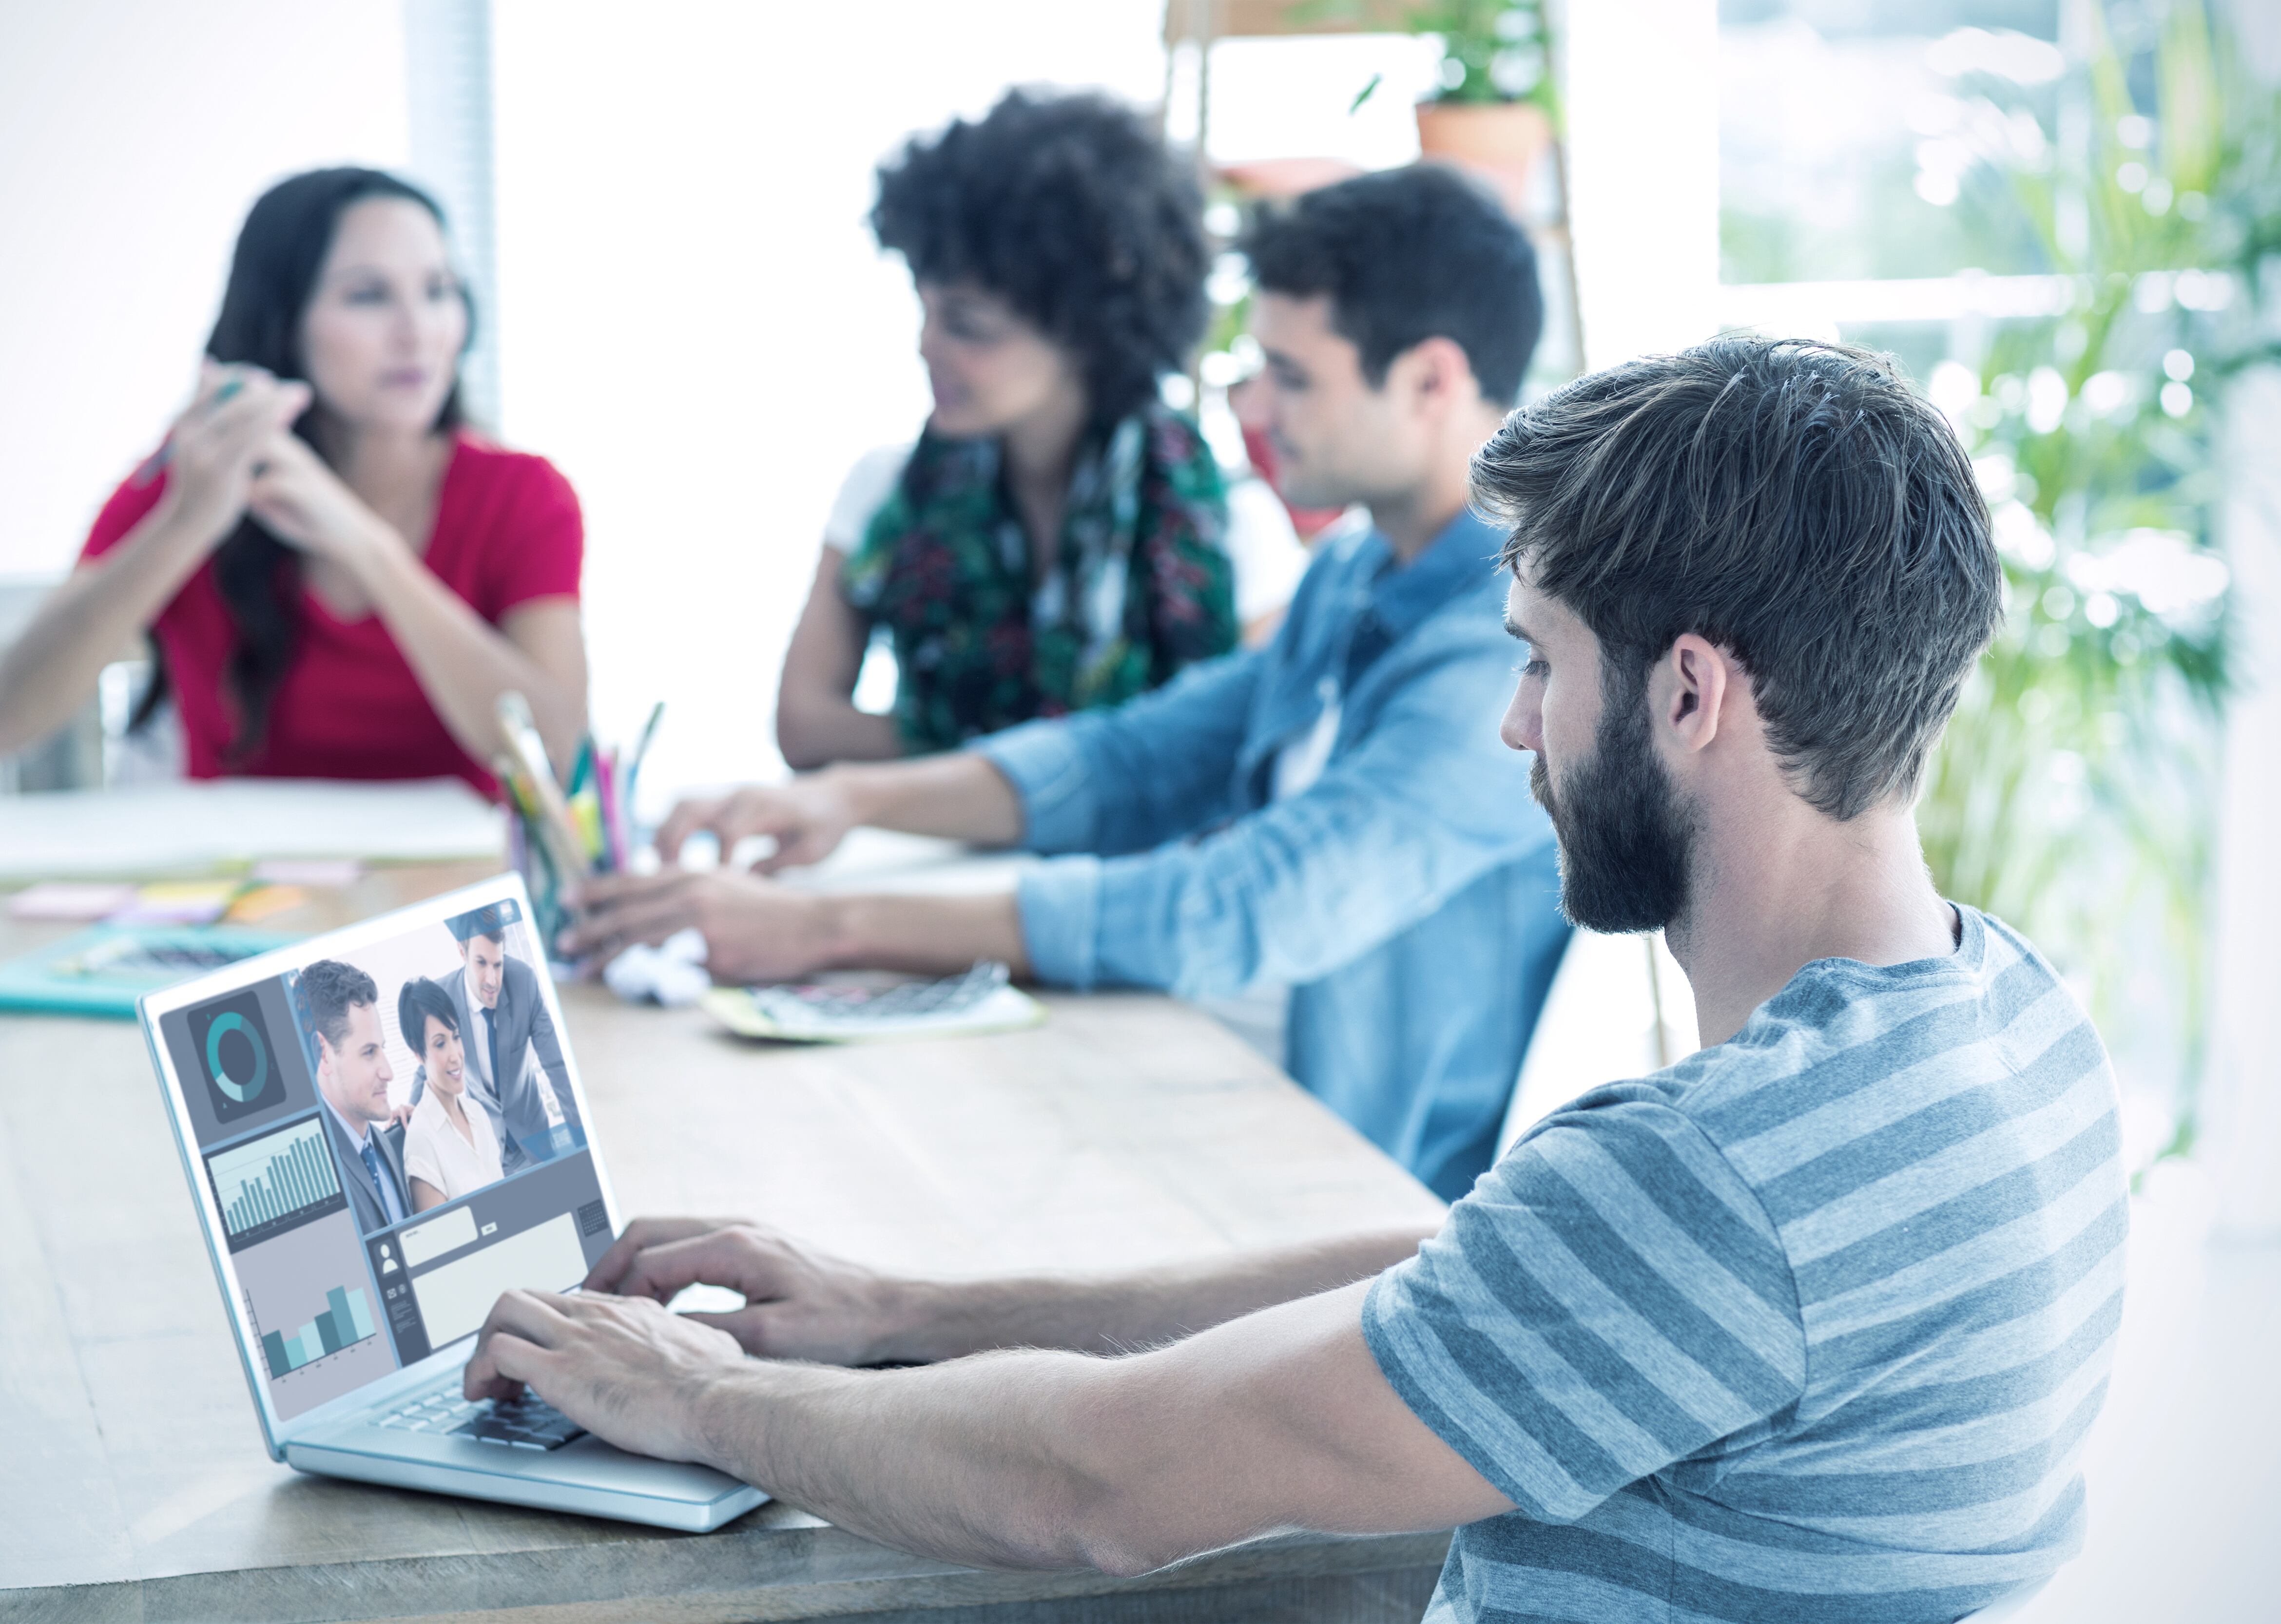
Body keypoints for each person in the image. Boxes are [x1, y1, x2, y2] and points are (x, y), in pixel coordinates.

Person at [472, 337, 2125, 1623]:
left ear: (1690, 693)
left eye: (1540, 662)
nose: (1511, 728)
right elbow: (1494, 1273)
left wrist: (706, 1395)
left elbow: (1100, 1487)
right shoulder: (2010, 1019)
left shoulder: (1725, 1179)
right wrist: (909, 1314)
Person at [571, 166, 1568, 1199]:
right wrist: (841, 800)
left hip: (1333, 1172)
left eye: (1291, 374)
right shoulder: (1361, 571)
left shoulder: (1511, 647)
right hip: (1212, 1066)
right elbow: (1134, 756)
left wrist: (825, 926)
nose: (1255, 405)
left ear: (1432, 381)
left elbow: (1244, 906)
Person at [0, 168, 588, 795]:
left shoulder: (523, 496)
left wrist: (370, 550)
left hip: (463, 886)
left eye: (438, 291)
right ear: (282, 320)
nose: (417, 331)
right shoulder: (199, 473)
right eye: (368, 296)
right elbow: (4, 723)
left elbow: (565, 757)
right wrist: (186, 525)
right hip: (248, 885)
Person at [774, 89, 1306, 770]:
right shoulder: (885, 488)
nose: (926, 346)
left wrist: (975, 763)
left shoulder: (1232, 524)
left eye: (968, 327)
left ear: (1086, 335)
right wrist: (1070, 758)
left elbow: (1247, 750)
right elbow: (805, 725)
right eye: (926, 311)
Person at [400, 907, 581, 1173]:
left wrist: (581, 1136)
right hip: (486, 1146)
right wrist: (413, 1108)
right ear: (463, 954)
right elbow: (426, 1063)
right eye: (481, 963)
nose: (492, 980)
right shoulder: (443, 996)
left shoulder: (523, 982)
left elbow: (556, 1063)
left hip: (535, 1138)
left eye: (498, 964)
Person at [303, 958, 411, 1235]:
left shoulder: (383, 1147)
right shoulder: (315, 1177)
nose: (388, 1072)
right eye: (369, 1052)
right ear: (323, 1054)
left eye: (383, 1049)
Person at [397, 974, 501, 1210]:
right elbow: (441, 1243)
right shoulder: (421, 1138)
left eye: (456, 1037)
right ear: (417, 1052)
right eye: (440, 1044)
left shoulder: (478, 1113)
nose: (456, 1055)